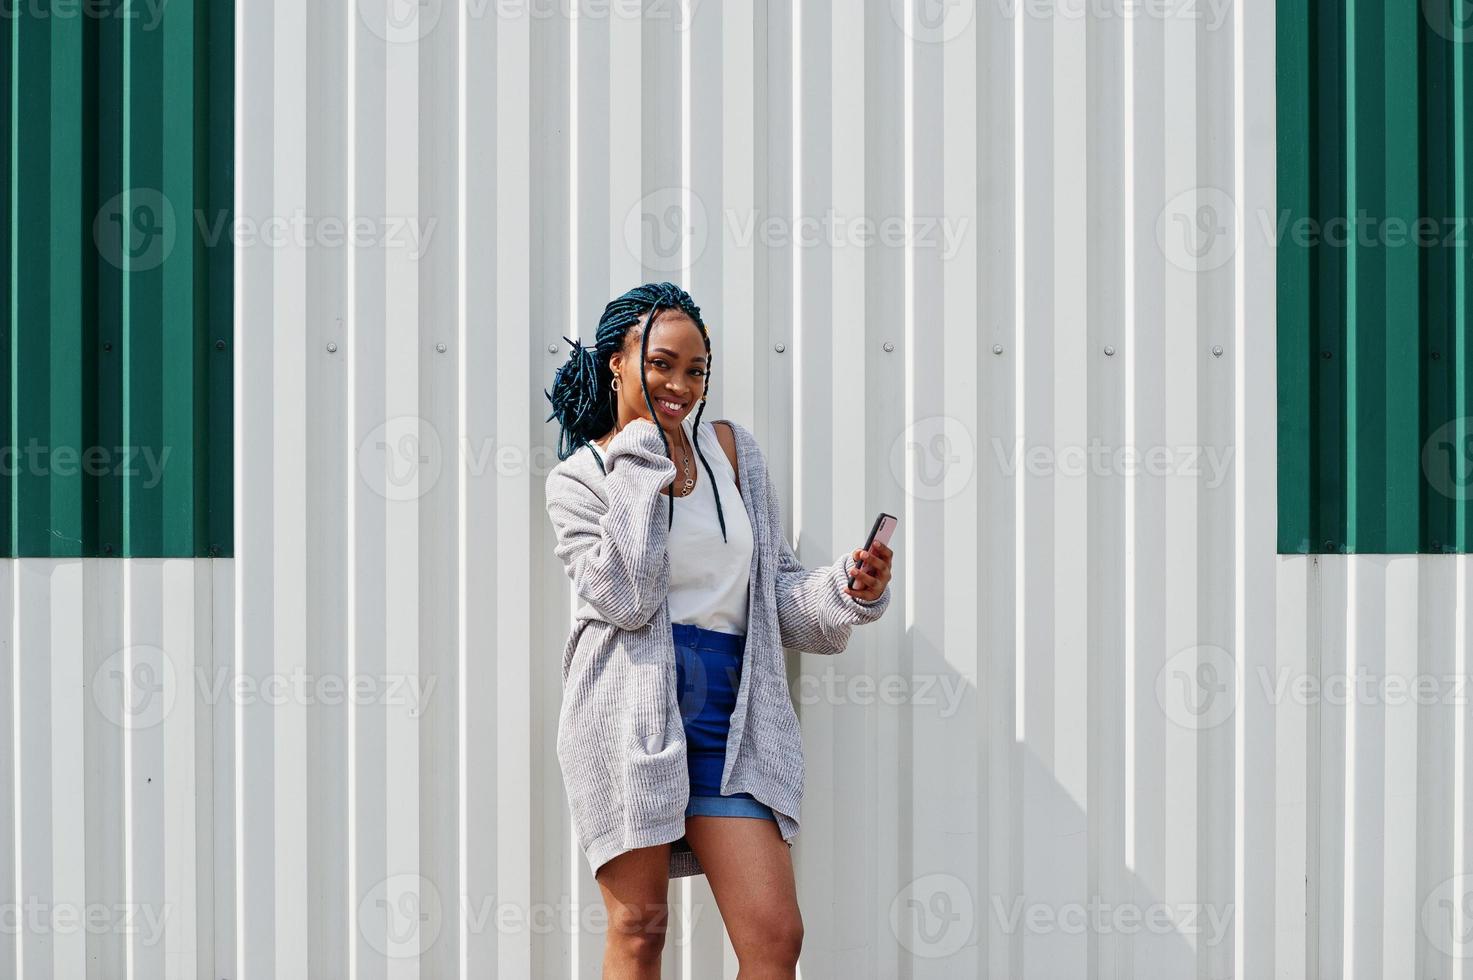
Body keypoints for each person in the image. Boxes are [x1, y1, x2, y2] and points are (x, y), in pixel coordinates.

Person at [543, 281, 895, 978]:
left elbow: (777, 599)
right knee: (639, 928)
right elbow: (626, 598)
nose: (680, 384)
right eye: (661, 364)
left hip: (730, 724)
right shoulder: (579, 479)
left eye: (696, 369)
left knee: (773, 939)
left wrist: (847, 589)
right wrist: (641, 452)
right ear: (617, 361)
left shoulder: (733, 453)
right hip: (625, 722)